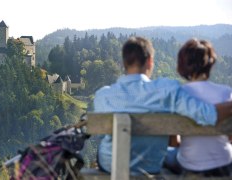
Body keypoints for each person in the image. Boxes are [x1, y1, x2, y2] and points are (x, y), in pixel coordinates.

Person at [93, 36, 232, 175]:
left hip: (110, 165)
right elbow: (207, 115)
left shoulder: (102, 96)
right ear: (149, 62)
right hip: (150, 165)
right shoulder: (167, 91)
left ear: (123, 63)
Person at [165, 39, 232, 177]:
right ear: (210, 63)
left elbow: (174, 142)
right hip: (224, 163)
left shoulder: (179, 95)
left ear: (182, 64)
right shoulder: (226, 92)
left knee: (167, 156)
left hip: (190, 165)